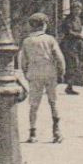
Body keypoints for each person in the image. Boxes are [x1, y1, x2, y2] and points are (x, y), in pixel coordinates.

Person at [17, 13, 66, 143]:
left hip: (34, 72)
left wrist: (27, 73)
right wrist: (61, 71)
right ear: (44, 25)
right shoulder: (50, 39)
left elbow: (23, 61)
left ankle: (32, 133)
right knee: (53, 101)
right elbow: (59, 57)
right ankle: (56, 131)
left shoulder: (27, 41)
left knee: (33, 104)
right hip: (49, 71)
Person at [59, 11, 83, 95]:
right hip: (69, 44)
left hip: (78, 43)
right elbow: (69, 32)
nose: (77, 11)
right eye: (75, 9)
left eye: (79, 9)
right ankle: (65, 84)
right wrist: (78, 35)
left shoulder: (79, 19)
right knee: (71, 64)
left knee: (78, 64)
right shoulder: (68, 20)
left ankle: (71, 85)